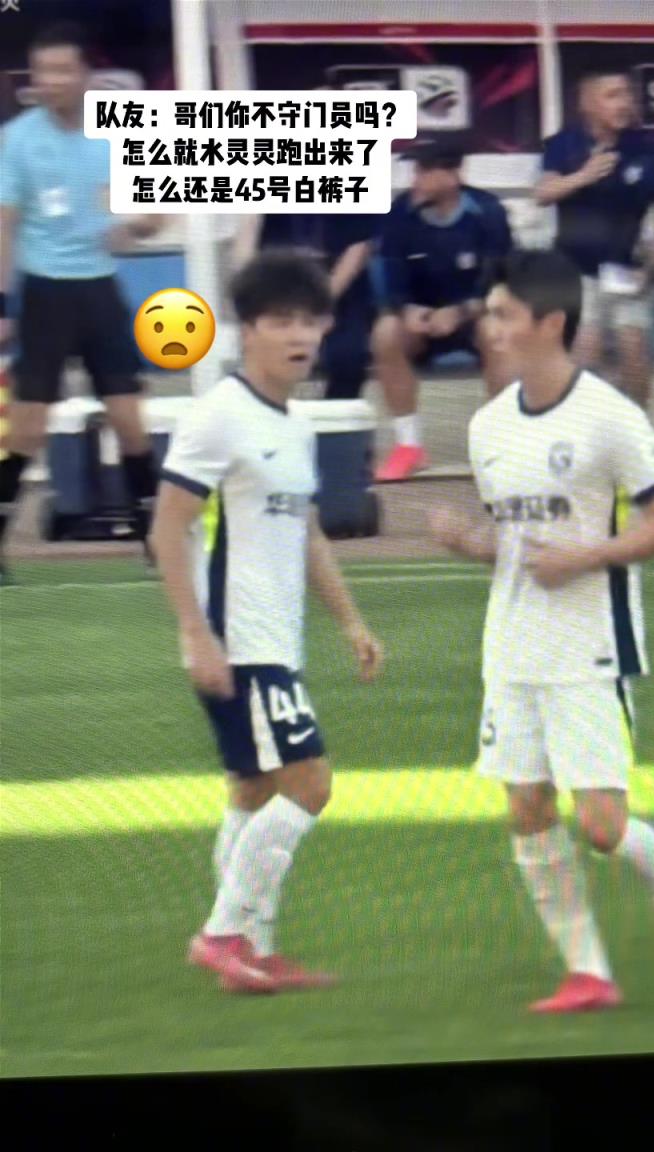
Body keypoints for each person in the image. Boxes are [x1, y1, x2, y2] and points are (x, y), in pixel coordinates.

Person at [428, 249, 654, 1013]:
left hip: (591, 645)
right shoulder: (488, 426)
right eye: (489, 314)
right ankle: (588, 971)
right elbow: (517, 546)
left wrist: (587, 557)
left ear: (550, 322)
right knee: (526, 809)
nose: (490, 328)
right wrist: (468, 542)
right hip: (511, 644)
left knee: (601, 826)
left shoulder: (610, 417)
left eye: (504, 315)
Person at [149, 251, 384, 994]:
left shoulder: (296, 426)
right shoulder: (219, 416)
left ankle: (253, 951)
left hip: (276, 641)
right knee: (310, 783)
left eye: (311, 320)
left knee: (251, 792)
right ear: (247, 330)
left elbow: (307, 535)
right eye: (282, 320)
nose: (300, 335)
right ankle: (223, 934)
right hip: (238, 644)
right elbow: (166, 527)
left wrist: (350, 622)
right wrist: (196, 634)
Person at [0, 21, 163, 583]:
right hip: (44, 292)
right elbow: (4, 226)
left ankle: (159, 544)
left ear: (85, 75)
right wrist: (2, 303)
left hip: (99, 290)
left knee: (130, 423)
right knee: (26, 429)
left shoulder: (114, 135)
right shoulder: (17, 140)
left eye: (63, 70)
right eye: (43, 71)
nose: (52, 81)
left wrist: (137, 224)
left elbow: (151, 213)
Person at [535, 66, 654, 410]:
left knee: (635, 352)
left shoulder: (646, 149)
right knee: (586, 349)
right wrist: (584, 176)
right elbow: (543, 193)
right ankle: (583, 428)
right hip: (576, 270)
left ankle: (636, 428)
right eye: (612, 95)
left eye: (627, 94)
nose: (624, 103)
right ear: (587, 103)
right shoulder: (564, 144)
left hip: (627, 271)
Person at [372, 138, 513, 482]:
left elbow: (503, 284)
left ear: (453, 175)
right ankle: (409, 446)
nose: (416, 179)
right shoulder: (400, 212)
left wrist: (462, 312)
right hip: (421, 322)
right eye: (416, 170)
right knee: (385, 332)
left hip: (472, 317)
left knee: (497, 331)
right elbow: (390, 277)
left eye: (424, 170)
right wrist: (405, 309)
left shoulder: (488, 212)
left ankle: (502, 443)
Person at [232, 209, 380, 401]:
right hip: (276, 281)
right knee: (264, 342)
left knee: (348, 355)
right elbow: (246, 242)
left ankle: (333, 414)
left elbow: (360, 246)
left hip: (339, 286)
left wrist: (321, 299)